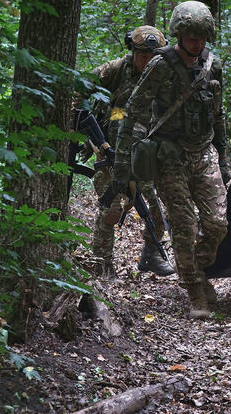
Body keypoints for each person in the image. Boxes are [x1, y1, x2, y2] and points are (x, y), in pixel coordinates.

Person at [113, 1, 231, 319]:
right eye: (191, 36)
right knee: (183, 225)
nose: (197, 42)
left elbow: (218, 115)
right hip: (169, 155)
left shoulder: (212, 66)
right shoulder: (160, 66)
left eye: (202, 36)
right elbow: (133, 112)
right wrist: (122, 164)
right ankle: (195, 292)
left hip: (204, 152)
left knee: (217, 224)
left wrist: (223, 158)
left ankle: (197, 267)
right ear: (179, 34)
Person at [87, 26, 175, 279]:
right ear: (132, 52)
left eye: (152, 57)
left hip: (148, 155)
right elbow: (81, 86)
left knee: (159, 211)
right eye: (142, 56)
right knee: (110, 210)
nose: (147, 61)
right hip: (110, 153)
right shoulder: (114, 70)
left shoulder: (165, 76)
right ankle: (102, 264)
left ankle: (151, 255)